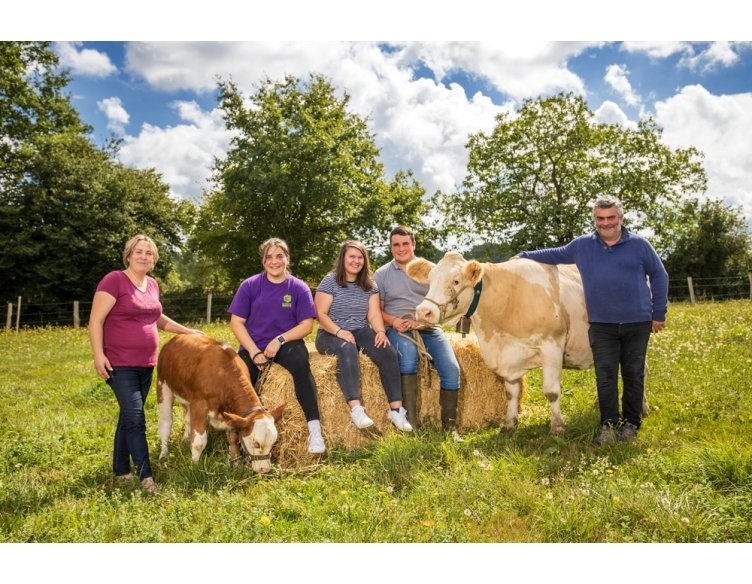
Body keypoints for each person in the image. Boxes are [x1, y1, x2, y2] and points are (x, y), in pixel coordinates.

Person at [517, 195, 668, 445]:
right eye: (600, 218)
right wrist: (523, 255)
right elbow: (555, 254)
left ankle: (631, 423)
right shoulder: (583, 245)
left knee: (632, 373)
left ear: (620, 218)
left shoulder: (640, 245)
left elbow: (659, 275)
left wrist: (658, 313)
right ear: (595, 220)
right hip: (601, 324)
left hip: (637, 322)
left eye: (611, 217)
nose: (606, 223)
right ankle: (608, 425)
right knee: (605, 376)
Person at [89, 234, 203, 493]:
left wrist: (188, 332)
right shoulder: (114, 280)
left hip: (146, 363)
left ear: (154, 259)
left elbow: (158, 318)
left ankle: (121, 470)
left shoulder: (151, 284)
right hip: (119, 363)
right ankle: (146, 477)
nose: (143, 256)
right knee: (136, 418)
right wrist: (99, 355)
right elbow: (95, 320)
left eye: (148, 253)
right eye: (138, 251)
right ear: (128, 255)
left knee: (127, 417)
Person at [228, 238, 325, 454]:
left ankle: (314, 430)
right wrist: (254, 353)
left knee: (301, 364)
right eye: (269, 257)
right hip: (254, 346)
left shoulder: (298, 288)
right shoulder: (250, 285)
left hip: (287, 344)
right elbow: (236, 322)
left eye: (279, 256)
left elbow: (306, 325)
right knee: (240, 381)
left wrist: (279, 340)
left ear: (287, 259)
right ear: (263, 262)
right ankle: (239, 440)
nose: (274, 261)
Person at [314, 240, 413, 432]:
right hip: (330, 332)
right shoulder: (330, 281)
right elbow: (320, 314)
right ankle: (356, 409)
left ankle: (396, 410)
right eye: (352, 256)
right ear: (343, 258)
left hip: (359, 330)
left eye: (360, 257)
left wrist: (381, 332)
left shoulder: (370, 284)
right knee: (347, 348)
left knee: (388, 351)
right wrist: (339, 332)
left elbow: (374, 314)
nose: (356, 261)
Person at [374, 225, 462, 431]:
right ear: (391, 247)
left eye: (406, 243)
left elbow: (443, 303)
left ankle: (450, 430)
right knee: (408, 355)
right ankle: (410, 426)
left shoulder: (432, 270)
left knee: (452, 369)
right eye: (396, 244)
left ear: (413, 244)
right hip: (398, 327)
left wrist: (422, 322)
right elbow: (377, 310)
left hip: (429, 326)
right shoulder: (382, 274)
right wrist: (394, 321)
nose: (401, 248)